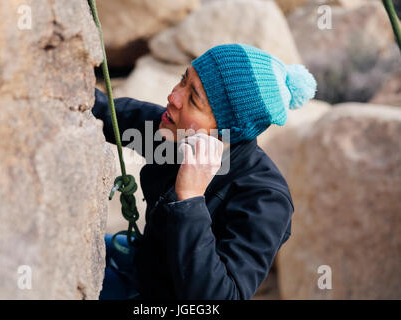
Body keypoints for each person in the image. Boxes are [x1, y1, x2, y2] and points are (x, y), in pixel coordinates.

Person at [92, 43, 317, 300]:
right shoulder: (177, 133)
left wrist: (190, 199)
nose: (173, 97)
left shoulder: (265, 199)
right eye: (182, 81)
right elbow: (113, 113)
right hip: (142, 266)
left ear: (225, 131)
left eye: (193, 99)